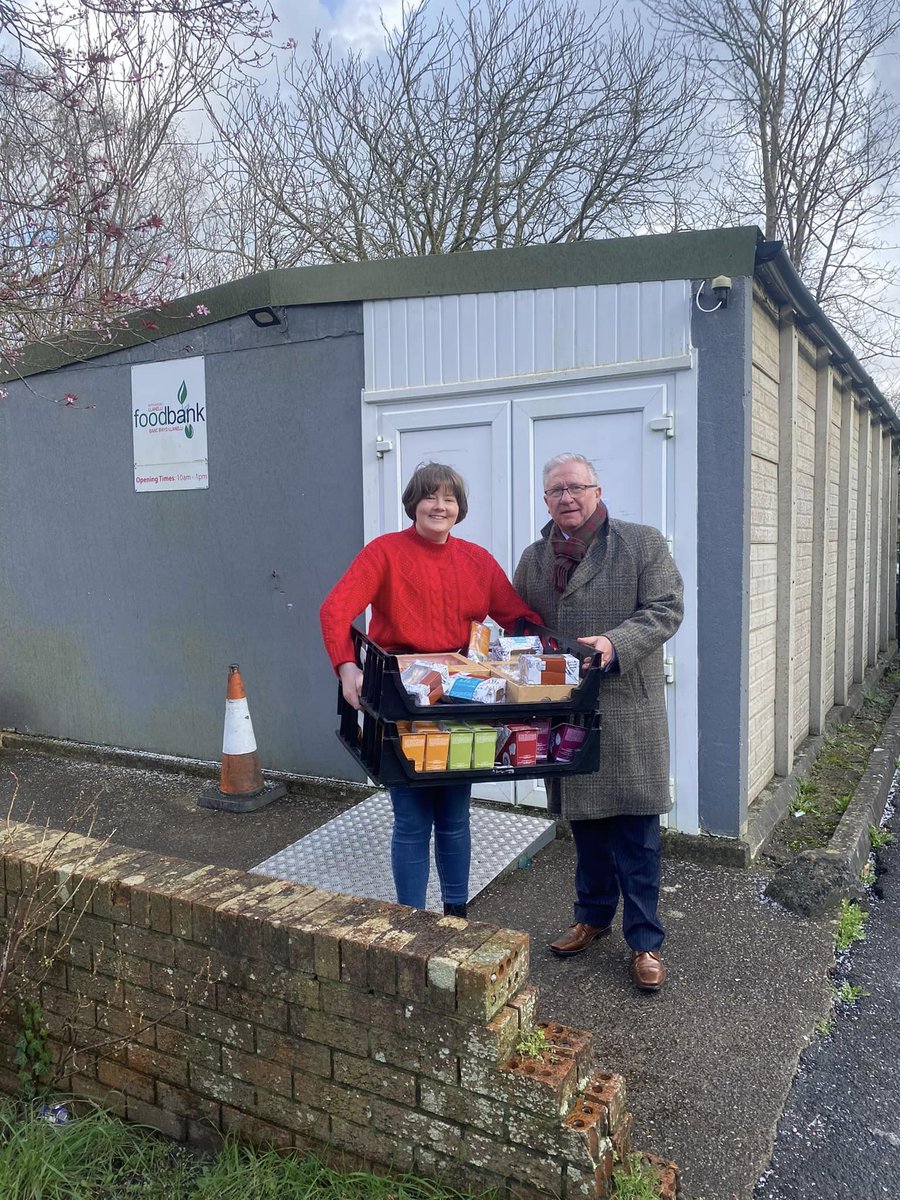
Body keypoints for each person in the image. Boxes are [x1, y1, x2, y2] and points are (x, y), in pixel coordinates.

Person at [320, 461, 541, 917]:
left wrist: (561, 652)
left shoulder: (477, 560)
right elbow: (333, 611)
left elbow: (516, 616)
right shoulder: (383, 553)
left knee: (456, 817)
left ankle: (456, 916)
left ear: (460, 508)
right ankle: (413, 920)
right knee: (412, 817)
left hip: (461, 696)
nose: (440, 506)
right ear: (413, 504)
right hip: (401, 699)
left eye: (449, 498)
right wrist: (346, 668)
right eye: (430, 496)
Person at [514, 452, 684, 992]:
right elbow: (519, 623)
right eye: (555, 491)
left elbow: (666, 608)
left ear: (596, 489)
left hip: (627, 707)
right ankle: (591, 916)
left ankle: (645, 941)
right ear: (546, 500)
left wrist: (614, 643)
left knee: (636, 831)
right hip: (567, 711)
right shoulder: (534, 558)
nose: (566, 497)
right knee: (584, 827)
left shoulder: (642, 542)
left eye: (575, 487)